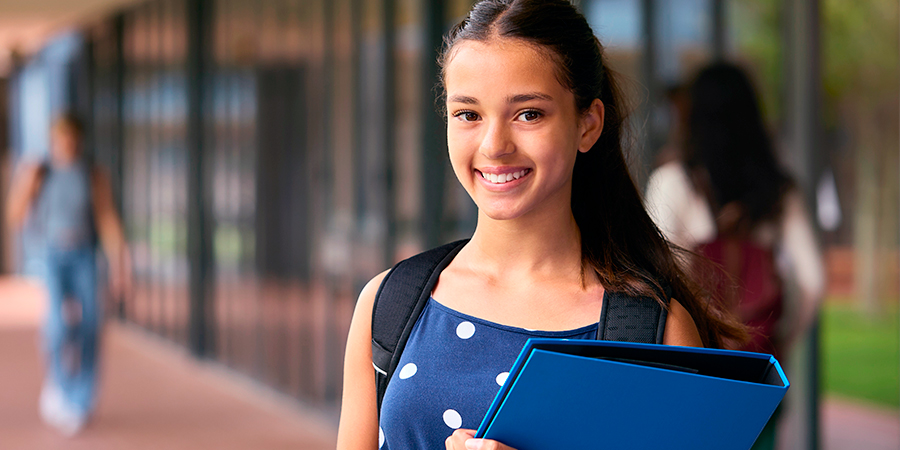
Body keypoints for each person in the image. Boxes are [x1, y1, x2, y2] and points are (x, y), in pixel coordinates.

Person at [337, 1, 746, 449]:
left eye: (528, 113)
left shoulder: (652, 332)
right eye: (468, 114)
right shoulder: (388, 305)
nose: (494, 146)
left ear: (588, 125)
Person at [645, 63, 825, 450]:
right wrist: (780, 335)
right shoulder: (778, 192)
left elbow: (652, 282)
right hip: (760, 372)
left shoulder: (672, 184)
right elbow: (812, 281)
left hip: (694, 373)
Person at [6, 112, 131, 435]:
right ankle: (59, 387)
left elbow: (106, 218)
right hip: (51, 255)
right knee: (58, 326)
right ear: (53, 139)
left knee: (90, 324)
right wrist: (26, 183)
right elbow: (15, 215)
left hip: (85, 254)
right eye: (61, 137)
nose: (67, 143)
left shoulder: (91, 173)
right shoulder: (41, 170)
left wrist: (119, 261)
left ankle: (81, 400)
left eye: (72, 137)